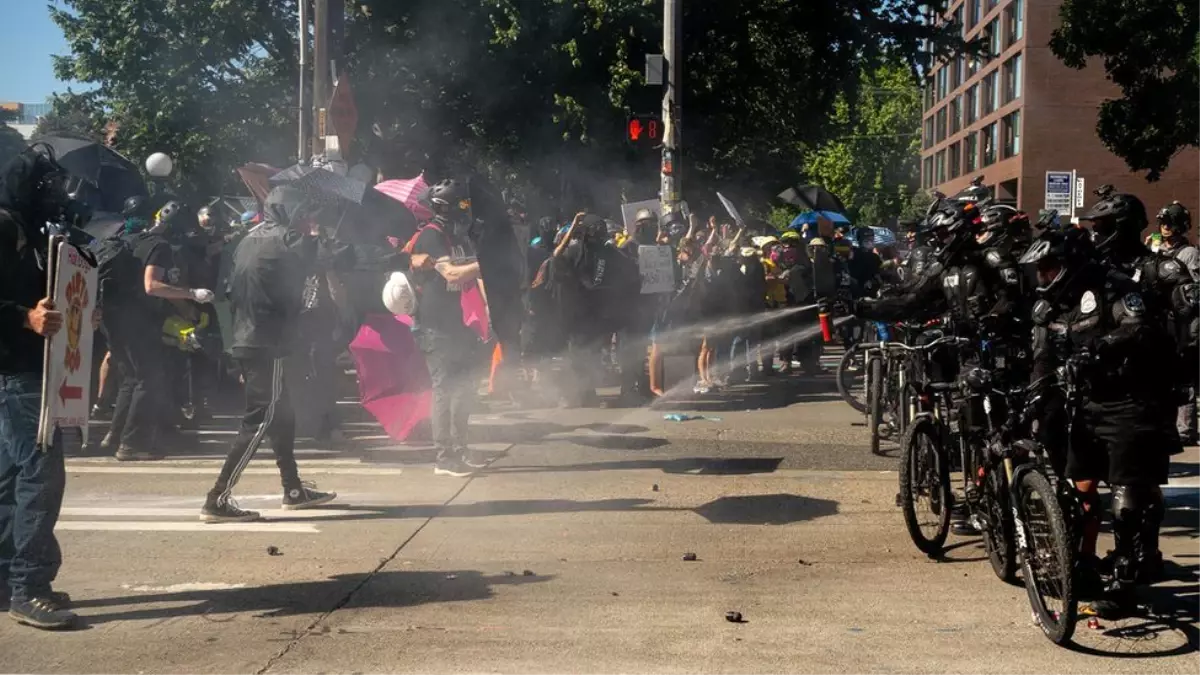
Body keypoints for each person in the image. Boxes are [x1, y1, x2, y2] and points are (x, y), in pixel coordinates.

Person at [1021, 211, 1177, 618]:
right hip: (1085, 404)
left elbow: (1138, 327)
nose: (1042, 275)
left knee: (1126, 498)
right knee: (1080, 489)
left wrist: (1101, 347)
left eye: (1048, 267)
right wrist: (1035, 398)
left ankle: (1125, 581)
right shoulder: (1050, 306)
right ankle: (1084, 564)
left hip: (1129, 401)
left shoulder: (1115, 286)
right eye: (1039, 269)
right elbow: (1043, 358)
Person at [200, 185, 336, 522]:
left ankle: (293, 488)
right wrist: (322, 235)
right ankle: (217, 498)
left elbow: (229, 292)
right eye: (302, 212)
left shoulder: (248, 240)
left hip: (248, 337)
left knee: (281, 413)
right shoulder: (290, 241)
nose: (306, 219)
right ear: (289, 212)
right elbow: (332, 258)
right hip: (266, 341)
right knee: (259, 419)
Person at [0, 146, 78, 629]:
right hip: (18, 373)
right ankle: (29, 586)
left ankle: (11, 580)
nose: (51, 191)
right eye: (41, 182)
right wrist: (24, 318)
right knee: (40, 475)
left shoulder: (29, 229)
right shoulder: (5, 225)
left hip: (25, 371)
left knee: (12, 478)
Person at [101, 200, 210, 460]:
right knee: (149, 379)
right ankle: (132, 444)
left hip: (111, 319)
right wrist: (193, 294)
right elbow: (152, 286)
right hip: (137, 319)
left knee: (129, 379)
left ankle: (114, 437)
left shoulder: (127, 239)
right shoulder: (158, 246)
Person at [411, 179, 489, 476]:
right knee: (445, 389)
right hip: (436, 326)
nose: (464, 208)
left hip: (460, 323)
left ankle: (460, 448)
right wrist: (486, 264)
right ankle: (444, 457)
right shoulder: (430, 236)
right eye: (460, 203)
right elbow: (453, 274)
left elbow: (471, 276)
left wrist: (488, 313)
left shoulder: (457, 236)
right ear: (443, 206)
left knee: (465, 388)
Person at [1154, 202, 1200, 443]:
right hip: (1160, 320)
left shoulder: (1189, 253)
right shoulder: (1155, 250)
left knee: (1183, 374)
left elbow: (1192, 294)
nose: (1165, 228)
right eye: (1162, 223)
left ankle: (1186, 429)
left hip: (1182, 322)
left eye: (1170, 223)